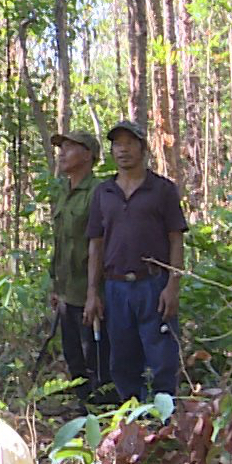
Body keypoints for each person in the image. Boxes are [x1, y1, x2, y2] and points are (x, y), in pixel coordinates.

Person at [83, 119, 188, 403]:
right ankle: (131, 423)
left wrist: (172, 285)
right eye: (117, 144)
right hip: (116, 287)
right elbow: (96, 243)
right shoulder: (104, 192)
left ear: (142, 149)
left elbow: (176, 238)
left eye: (129, 143)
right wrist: (93, 292)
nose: (123, 150)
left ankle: (162, 423)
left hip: (153, 284)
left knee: (161, 359)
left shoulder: (162, 190)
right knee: (122, 359)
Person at [47, 128, 110, 408]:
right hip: (66, 290)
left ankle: (102, 408)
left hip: (89, 290)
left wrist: (95, 293)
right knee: (73, 354)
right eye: (62, 148)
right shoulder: (63, 191)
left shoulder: (98, 192)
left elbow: (102, 243)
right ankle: (83, 407)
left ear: (88, 155)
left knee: (95, 355)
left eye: (70, 148)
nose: (62, 154)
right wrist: (55, 285)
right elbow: (61, 241)